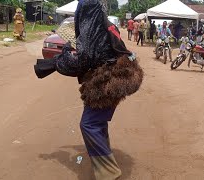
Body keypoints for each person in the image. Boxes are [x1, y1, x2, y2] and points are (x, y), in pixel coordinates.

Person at [34, 0, 143, 179]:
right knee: (96, 122)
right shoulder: (104, 23)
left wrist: (63, 59)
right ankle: (105, 155)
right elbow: (93, 52)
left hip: (108, 80)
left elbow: (84, 60)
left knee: (89, 124)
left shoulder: (91, 19)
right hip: (118, 74)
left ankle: (109, 172)